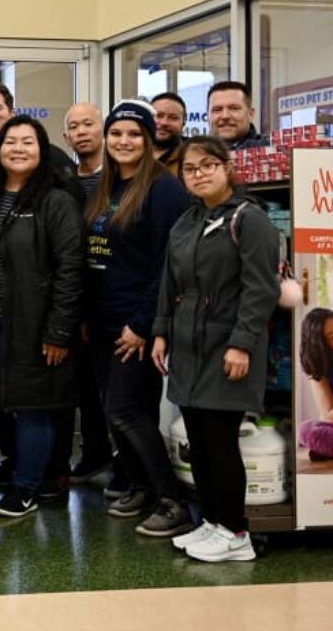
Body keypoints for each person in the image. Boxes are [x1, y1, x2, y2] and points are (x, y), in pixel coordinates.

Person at [152, 135, 278, 562]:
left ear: (227, 168)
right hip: (187, 347)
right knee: (199, 442)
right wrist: (161, 333)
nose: (200, 174)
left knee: (221, 444)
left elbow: (260, 290)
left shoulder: (250, 219)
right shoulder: (186, 221)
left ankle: (235, 532)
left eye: (208, 165)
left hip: (227, 347)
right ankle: (211, 521)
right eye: (191, 168)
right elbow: (170, 284)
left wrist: (241, 344)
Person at [0, 116, 84, 517]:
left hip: (34, 327)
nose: (18, 148)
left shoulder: (56, 201)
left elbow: (71, 269)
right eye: (11, 141)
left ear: (42, 150)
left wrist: (59, 332)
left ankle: (27, 487)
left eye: (28, 142)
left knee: (33, 407)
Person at [85, 100, 191, 538]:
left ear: (148, 140)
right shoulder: (106, 188)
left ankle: (173, 500)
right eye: (116, 134)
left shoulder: (164, 190)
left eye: (133, 134)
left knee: (126, 411)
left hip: (136, 324)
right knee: (119, 414)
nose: (123, 142)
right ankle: (142, 486)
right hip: (103, 321)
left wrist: (144, 323)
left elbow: (170, 263)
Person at [54, 103, 115, 486]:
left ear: (104, 128)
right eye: (73, 126)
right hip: (78, 298)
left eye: (89, 124)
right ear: (66, 137)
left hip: (117, 301)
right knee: (85, 388)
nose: (81, 132)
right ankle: (94, 456)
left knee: (120, 394)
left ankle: (128, 468)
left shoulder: (123, 178)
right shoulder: (64, 181)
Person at [298, 309, 333, 459]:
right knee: (306, 430)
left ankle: (325, 450)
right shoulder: (318, 365)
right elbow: (328, 414)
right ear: (320, 344)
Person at [207, 81, 267, 150]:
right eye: (217, 110)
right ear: (208, 116)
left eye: (234, 108)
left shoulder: (272, 150)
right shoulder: (195, 155)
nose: (225, 116)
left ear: (251, 114)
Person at [150, 92, 187, 175]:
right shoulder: (131, 154)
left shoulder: (190, 157)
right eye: (158, 115)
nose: (164, 123)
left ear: (183, 124)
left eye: (173, 118)